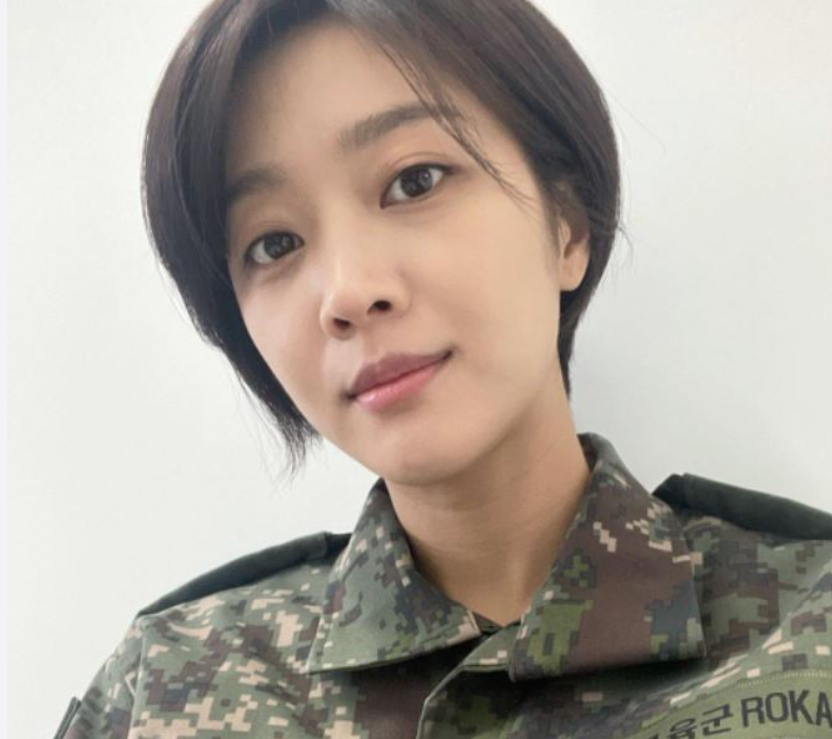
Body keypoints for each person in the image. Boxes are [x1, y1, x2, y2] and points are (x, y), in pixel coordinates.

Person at [55, 1, 832, 737]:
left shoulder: (808, 621)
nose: (348, 292)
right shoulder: (165, 682)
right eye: (274, 243)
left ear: (567, 226)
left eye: (414, 181)